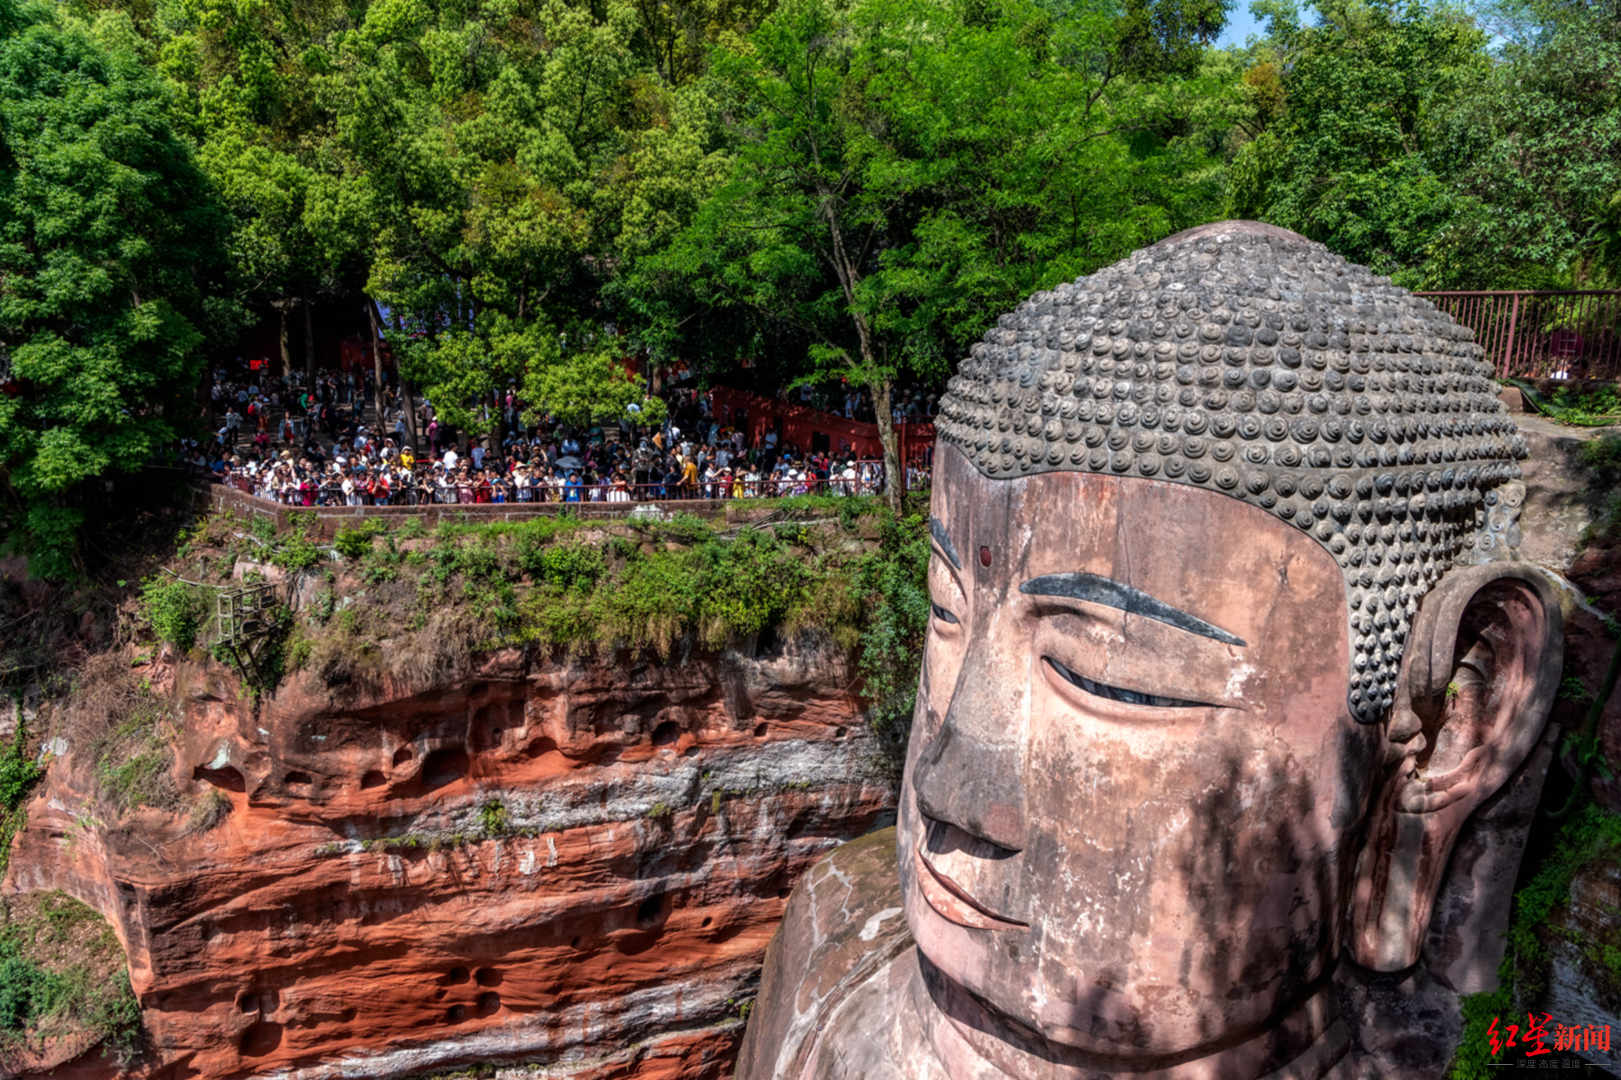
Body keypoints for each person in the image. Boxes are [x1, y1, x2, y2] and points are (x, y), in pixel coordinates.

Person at [735, 223, 1564, 1080]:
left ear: (1452, 729)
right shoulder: (826, 950)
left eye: (1106, 681)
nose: (945, 789)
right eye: (945, 613)